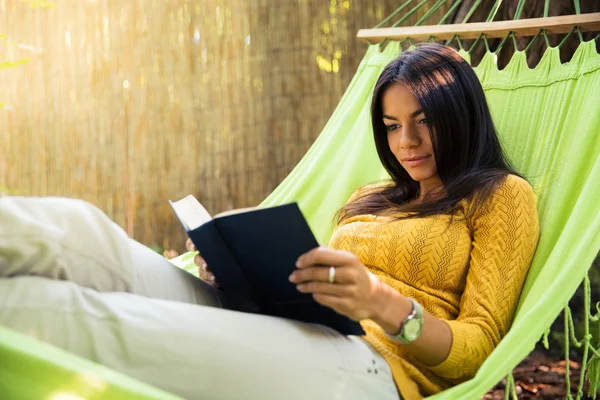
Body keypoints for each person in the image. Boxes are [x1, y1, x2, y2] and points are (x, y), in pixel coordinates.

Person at [0, 44, 539, 400]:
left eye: (424, 122)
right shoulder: (371, 197)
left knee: (69, 317)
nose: (407, 143)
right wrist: (241, 273)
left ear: (460, 115)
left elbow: (478, 350)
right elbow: (315, 286)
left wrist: (380, 302)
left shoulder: (500, 197)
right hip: (291, 322)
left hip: (370, 367)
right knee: (78, 230)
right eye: (393, 125)